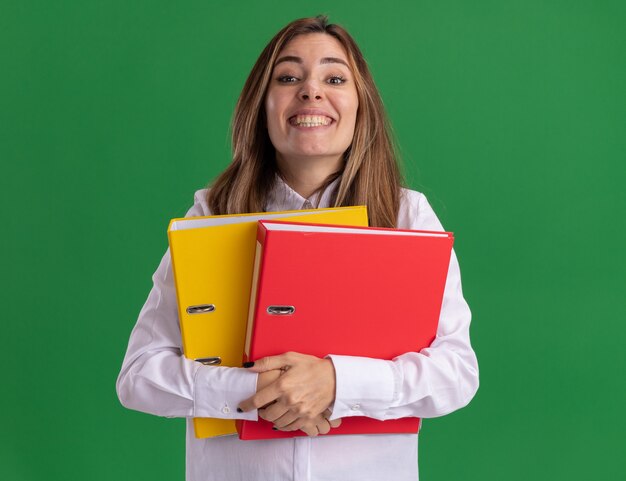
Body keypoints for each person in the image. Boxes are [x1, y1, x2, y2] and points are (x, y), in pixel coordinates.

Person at [116, 15, 479, 481]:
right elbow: (140, 376)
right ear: (261, 106)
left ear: (360, 107)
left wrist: (337, 384)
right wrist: (257, 391)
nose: (311, 91)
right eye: (289, 77)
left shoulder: (408, 217)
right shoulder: (211, 213)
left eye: (334, 77)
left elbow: (456, 372)